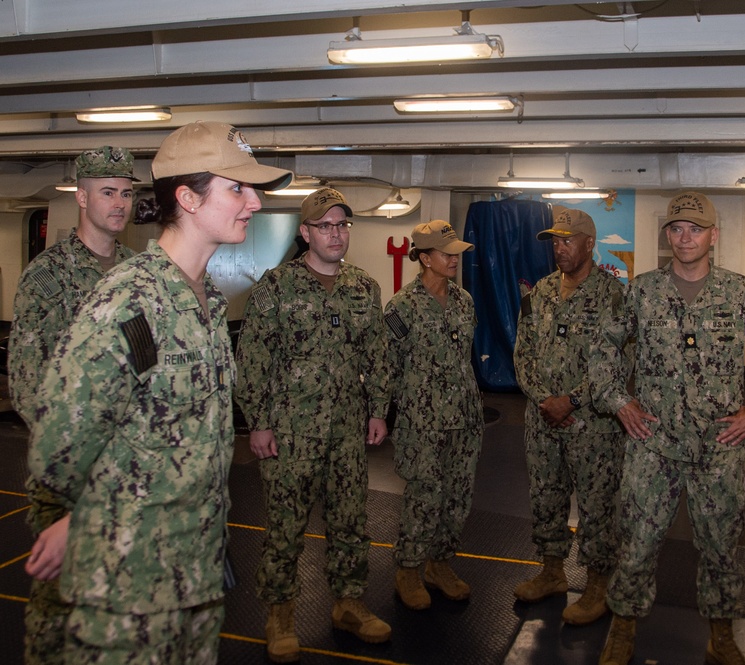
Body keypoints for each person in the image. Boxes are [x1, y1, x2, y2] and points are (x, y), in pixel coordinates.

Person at [24, 120, 292, 663]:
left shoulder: (207, 300)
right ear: (188, 198)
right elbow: (58, 452)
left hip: (193, 577)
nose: (255, 203)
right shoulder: (130, 302)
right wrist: (86, 518)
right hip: (126, 592)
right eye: (237, 188)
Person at [591, 192, 745, 665]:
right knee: (636, 542)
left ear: (713, 236)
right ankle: (623, 627)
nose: (685, 238)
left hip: (718, 446)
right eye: (676, 229)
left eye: (695, 229)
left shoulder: (740, 293)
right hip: (652, 443)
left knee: (721, 547)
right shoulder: (640, 291)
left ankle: (721, 635)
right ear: (668, 236)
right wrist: (620, 402)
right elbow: (602, 351)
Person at [235, 187, 391, 661]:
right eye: (325, 225)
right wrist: (257, 422)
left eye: (342, 224)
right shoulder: (275, 287)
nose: (336, 233)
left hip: (346, 431)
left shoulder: (363, 287)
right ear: (305, 233)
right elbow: (254, 359)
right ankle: (280, 613)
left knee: (350, 522)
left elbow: (377, 354)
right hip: (289, 433)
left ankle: (349, 602)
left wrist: (378, 408)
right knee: (285, 528)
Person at [9, 145, 138, 665]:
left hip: (130, 469)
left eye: (128, 193)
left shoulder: (138, 275)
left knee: (120, 600)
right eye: (108, 192)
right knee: (58, 606)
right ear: (81, 197)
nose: (120, 203)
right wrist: (81, 455)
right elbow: (27, 384)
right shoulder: (47, 276)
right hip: (68, 471)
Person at [511, 206, 626, 625]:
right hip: (542, 421)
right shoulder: (537, 293)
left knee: (597, 504)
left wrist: (572, 401)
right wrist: (545, 399)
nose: (559, 249)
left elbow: (620, 363)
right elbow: (522, 353)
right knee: (546, 496)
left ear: (590, 244)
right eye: (555, 241)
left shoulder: (613, 296)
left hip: (593, 425)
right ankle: (553, 572)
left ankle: (597, 583)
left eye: (567, 240)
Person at [384, 220, 483, 610]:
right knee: (423, 497)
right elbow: (387, 367)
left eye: (456, 253)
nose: (454, 259)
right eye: (447, 253)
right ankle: (408, 568)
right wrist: (383, 416)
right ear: (425, 258)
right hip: (422, 422)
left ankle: (440, 564)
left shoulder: (464, 302)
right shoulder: (401, 308)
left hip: (466, 418)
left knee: (458, 497)